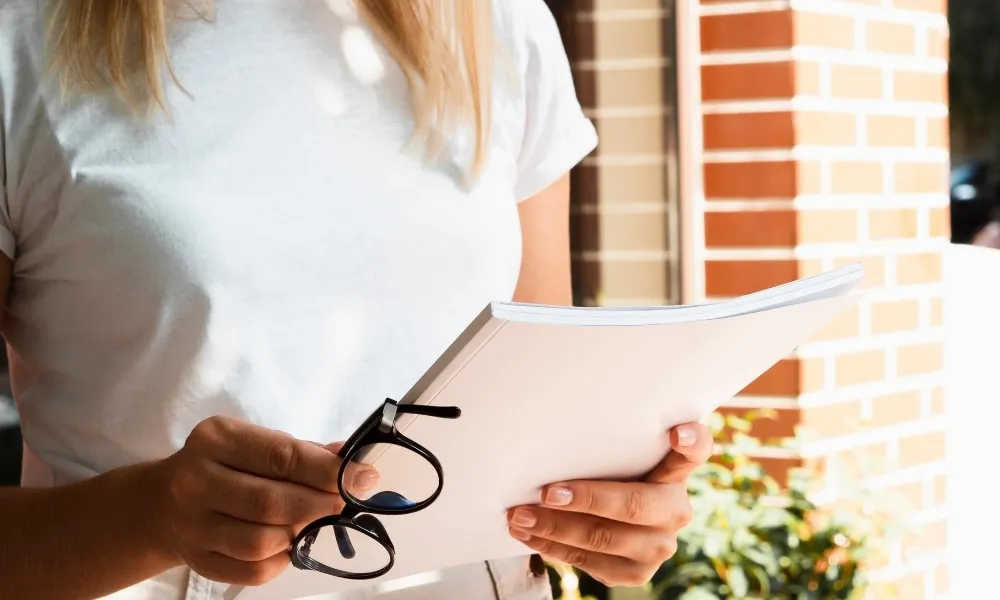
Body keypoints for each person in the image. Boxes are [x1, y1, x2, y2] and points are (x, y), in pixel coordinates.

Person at [0, 0, 713, 599]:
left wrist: (610, 508)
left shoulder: (494, 21)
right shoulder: (23, 39)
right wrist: (145, 517)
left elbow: (540, 424)